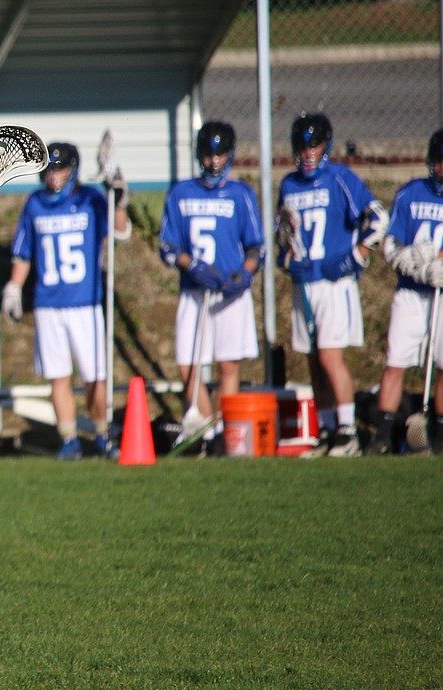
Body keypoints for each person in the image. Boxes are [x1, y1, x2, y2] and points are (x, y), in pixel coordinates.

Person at [1, 141, 130, 459]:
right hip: (48, 304)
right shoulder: (34, 204)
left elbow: (121, 231)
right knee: (58, 376)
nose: (54, 175)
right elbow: (23, 253)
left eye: (60, 168)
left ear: (73, 170)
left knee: (94, 377)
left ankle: (102, 434)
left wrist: (118, 197)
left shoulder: (89, 199)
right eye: (49, 169)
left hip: (84, 302)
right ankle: (69, 439)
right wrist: (14, 288)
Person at [277, 112, 389, 457]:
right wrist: (287, 262)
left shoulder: (340, 177)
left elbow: (379, 217)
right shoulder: (288, 184)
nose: (309, 152)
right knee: (313, 360)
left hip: (333, 282)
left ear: (326, 145)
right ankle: (327, 430)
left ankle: (347, 432)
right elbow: (282, 238)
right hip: (304, 284)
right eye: (303, 146)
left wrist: (355, 255)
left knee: (329, 357)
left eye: (315, 145)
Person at [158, 122, 264, 456]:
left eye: (219, 154)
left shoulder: (241, 194)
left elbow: (255, 247)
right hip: (194, 291)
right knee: (187, 364)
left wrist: (243, 276)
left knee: (227, 365)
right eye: (208, 154)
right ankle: (206, 427)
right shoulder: (180, 192)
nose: (214, 161)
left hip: (229, 293)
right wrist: (191, 265)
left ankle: (223, 434)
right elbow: (168, 246)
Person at [364, 128, 443, 455]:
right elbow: (392, 243)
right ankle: (382, 434)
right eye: (439, 162)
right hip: (411, 292)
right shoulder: (411, 193)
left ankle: (437, 435)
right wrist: (410, 262)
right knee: (395, 361)